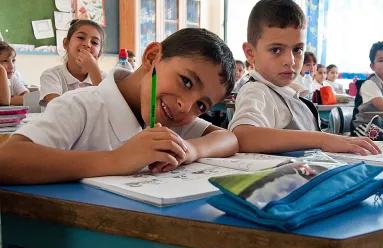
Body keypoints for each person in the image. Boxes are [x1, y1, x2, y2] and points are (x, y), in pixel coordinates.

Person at [0, 28, 239, 185]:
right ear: (152, 57)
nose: (185, 106)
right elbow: (7, 159)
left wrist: (190, 149)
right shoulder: (81, 106)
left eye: (201, 105)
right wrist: (116, 160)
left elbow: (229, 139)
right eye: (186, 81)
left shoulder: (168, 118)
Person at [228, 0, 381, 155]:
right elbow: (242, 137)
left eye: (297, 49)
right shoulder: (257, 90)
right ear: (250, 53)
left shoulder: (289, 91)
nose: (290, 61)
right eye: (276, 50)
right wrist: (322, 140)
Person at [39, 19, 107, 107]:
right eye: (81, 37)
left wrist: (93, 70)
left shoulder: (105, 79)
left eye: (94, 42)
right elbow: (57, 109)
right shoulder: (51, 75)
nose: (87, 44)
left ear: (99, 54)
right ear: (66, 43)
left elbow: (109, 109)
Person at [0, 41, 29, 105]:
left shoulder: (13, 78)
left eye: (13, 60)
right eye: (5, 61)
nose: (11, 66)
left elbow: (28, 97)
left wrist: (8, 100)